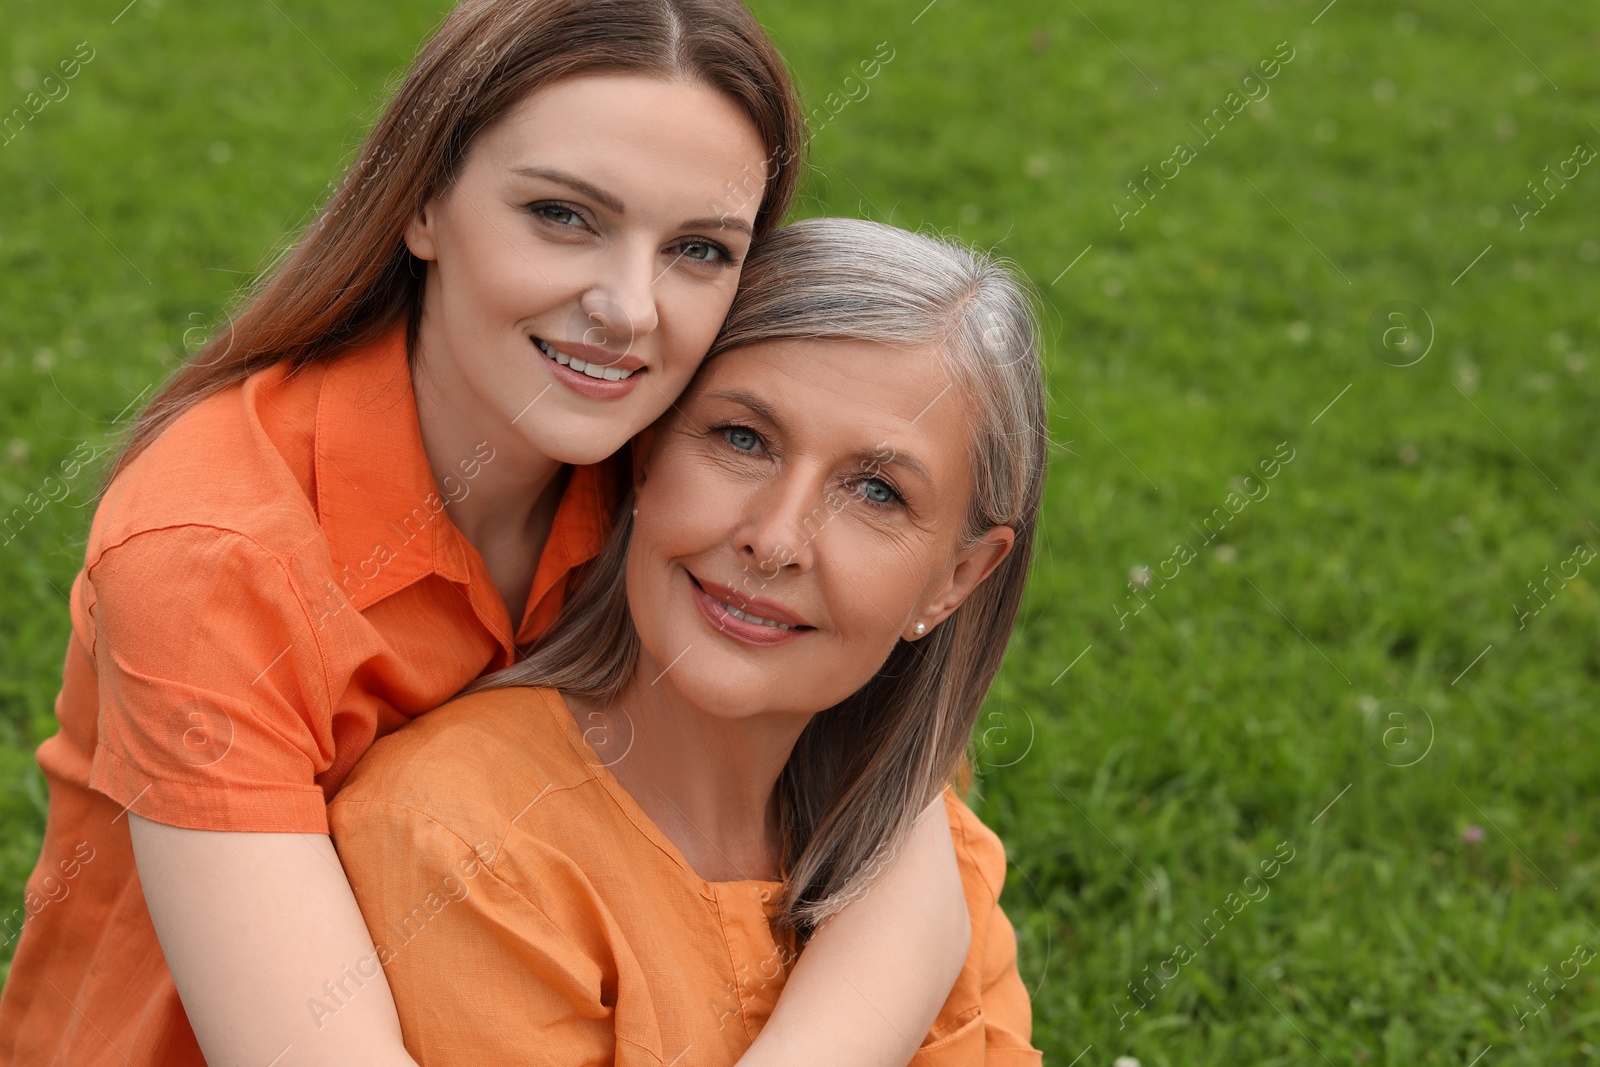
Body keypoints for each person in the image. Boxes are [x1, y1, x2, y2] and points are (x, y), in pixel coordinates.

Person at [0, 6, 977, 1065]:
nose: (627, 308)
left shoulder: (679, 471)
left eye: (698, 248)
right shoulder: (216, 551)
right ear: (423, 199)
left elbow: (891, 793)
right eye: (563, 215)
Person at [329, 216, 1048, 1065]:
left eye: (876, 491)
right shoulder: (461, 843)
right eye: (742, 439)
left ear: (957, 578)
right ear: (646, 455)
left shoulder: (929, 858)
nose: (776, 538)